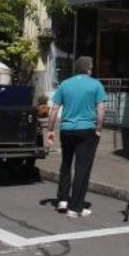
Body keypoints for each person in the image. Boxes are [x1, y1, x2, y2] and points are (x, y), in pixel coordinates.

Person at [47, 56, 107, 217]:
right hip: (87, 130)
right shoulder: (96, 84)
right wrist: (99, 128)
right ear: (88, 68)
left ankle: (62, 200)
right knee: (82, 167)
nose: (92, 69)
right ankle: (76, 206)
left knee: (66, 164)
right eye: (91, 67)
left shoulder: (65, 84)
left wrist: (50, 129)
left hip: (66, 129)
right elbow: (101, 109)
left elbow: (54, 109)